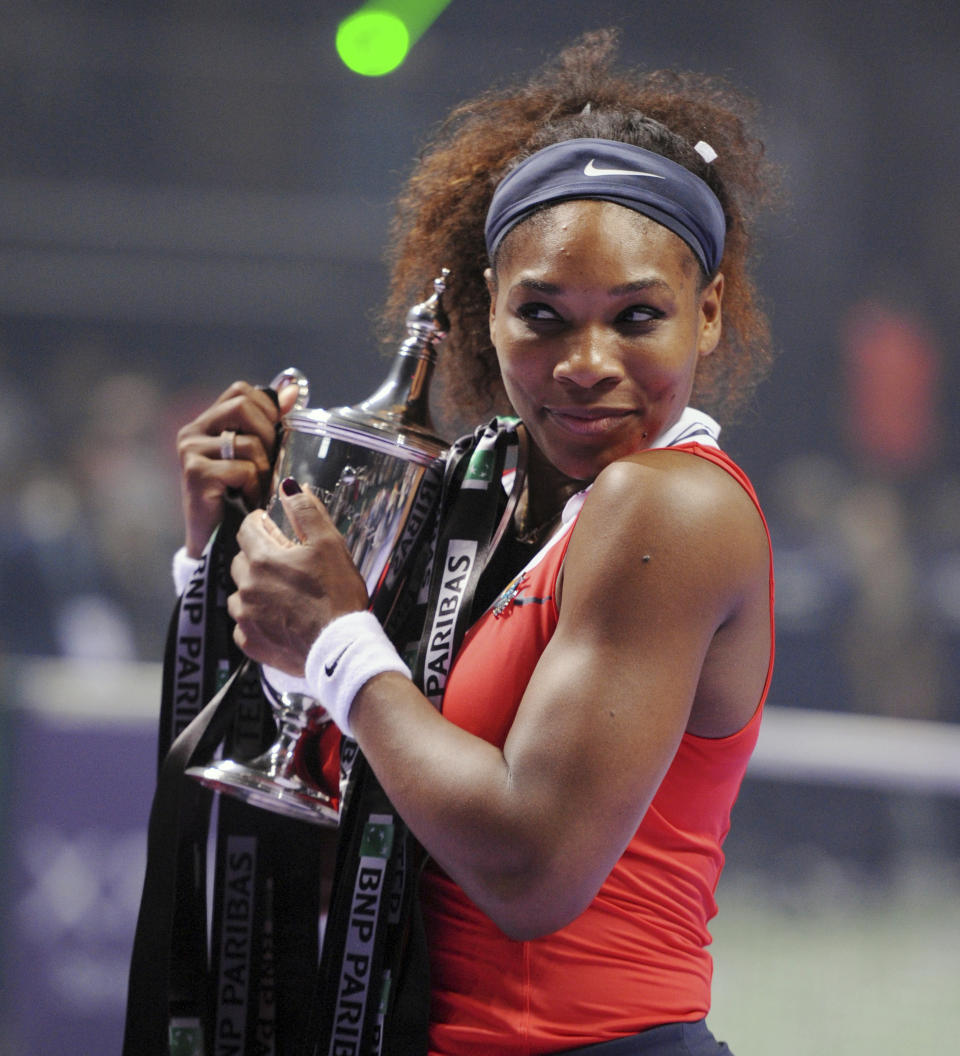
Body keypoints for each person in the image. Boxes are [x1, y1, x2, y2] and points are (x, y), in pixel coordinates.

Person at [173, 29, 777, 1056]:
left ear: (707, 316)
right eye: (542, 316)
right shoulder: (471, 499)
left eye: (638, 317)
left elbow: (530, 871)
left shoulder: (672, 507)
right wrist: (226, 564)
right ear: (479, 314)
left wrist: (339, 642)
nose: (587, 364)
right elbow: (335, 839)